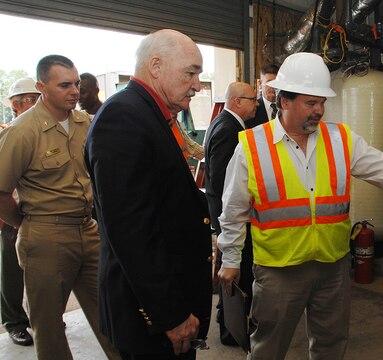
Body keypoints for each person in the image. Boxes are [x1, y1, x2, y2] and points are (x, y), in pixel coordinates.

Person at [217, 52, 383, 359]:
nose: (319, 111)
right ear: (285, 101)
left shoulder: (339, 139)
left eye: (323, 102)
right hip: (278, 272)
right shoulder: (251, 147)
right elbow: (232, 211)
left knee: (331, 347)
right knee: (267, 349)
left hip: (333, 268)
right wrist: (231, 259)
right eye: (311, 103)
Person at [84, 29, 212, 360]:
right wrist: (169, 314)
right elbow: (132, 233)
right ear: (156, 66)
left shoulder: (150, 113)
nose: (197, 85)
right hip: (151, 315)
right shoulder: (124, 118)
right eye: (191, 72)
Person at [0, 55, 120, 360]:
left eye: (77, 83)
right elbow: (0, 192)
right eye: (65, 84)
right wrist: (26, 225)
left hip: (87, 230)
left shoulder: (86, 124)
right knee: (49, 328)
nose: (74, 91)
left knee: (109, 314)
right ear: (42, 87)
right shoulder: (22, 132)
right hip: (45, 237)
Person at [204, 82, 257, 346]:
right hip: (229, 216)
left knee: (229, 271)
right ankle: (231, 332)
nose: (257, 105)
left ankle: (225, 321)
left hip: (223, 214)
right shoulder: (228, 129)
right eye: (253, 100)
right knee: (237, 273)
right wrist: (241, 203)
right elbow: (221, 179)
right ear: (237, 101)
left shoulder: (223, 122)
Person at [0, 77, 41, 346]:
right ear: (16, 105)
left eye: (37, 99)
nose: (37, 104)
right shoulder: (10, 132)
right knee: (12, 272)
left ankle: (42, 316)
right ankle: (15, 322)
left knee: (41, 271)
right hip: (10, 214)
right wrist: (13, 220)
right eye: (30, 100)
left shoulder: (42, 131)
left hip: (37, 214)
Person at [247, 63, 279, 129]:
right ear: (260, 83)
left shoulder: (287, 108)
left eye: (276, 82)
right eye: (269, 82)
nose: (273, 86)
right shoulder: (252, 110)